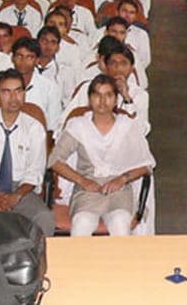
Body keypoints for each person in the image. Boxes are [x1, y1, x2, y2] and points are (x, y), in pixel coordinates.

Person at [48, 74, 155, 236]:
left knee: (120, 223)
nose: (102, 101)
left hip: (119, 190)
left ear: (116, 99)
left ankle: (116, 263)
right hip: (87, 191)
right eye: (97, 95)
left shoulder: (127, 126)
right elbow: (55, 161)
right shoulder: (78, 126)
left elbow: (146, 165)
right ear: (89, 99)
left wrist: (122, 179)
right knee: (82, 224)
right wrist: (82, 180)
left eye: (108, 95)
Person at [0, 69, 54, 236]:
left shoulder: (35, 129)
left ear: (24, 94)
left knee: (45, 217)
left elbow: (35, 171)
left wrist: (16, 195)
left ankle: (37, 262)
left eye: (18, 91)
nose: (13, 98)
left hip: (20, 188)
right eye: (6, 92)